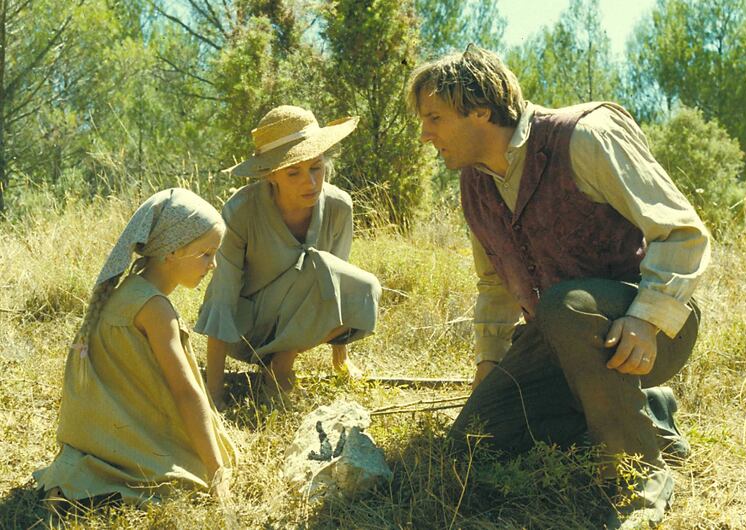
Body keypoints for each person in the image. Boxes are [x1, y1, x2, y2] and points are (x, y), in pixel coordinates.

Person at [407, 45, 710, 528]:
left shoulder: (586, 136)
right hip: (558, 336)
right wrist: (490, 364)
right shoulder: (473, 183)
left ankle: (640, 475)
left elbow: (681, 232)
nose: (424, 134)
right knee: (473, 445)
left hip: (649, 331)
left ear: (480, 109)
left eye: (434, 117)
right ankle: (649, 414)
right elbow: (495, 282)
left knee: (565, 306)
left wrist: (645, 319)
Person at [34, 188, 237, 509]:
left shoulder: (125, 290)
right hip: (128, 434)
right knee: (196, 470)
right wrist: (217, 473)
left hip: (98, 432)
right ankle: (95, 486)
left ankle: (80, 479)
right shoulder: (155, 308)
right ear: (171, 251)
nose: (212, 265)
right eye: (206, 253)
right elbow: (186, 392)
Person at [195, 105, 381, 409]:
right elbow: (222, 298)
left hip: (302, 325)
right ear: (271, 175)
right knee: (315, 265)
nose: (309, 182)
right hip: (247, 331)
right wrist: (214, 392)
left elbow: (338, 284)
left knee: (364, 289)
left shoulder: (339, 206)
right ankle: (274, 365)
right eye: (294, 172)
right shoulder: (241, 212)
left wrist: (341, 363)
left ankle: (282, 362)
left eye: (316, 168)